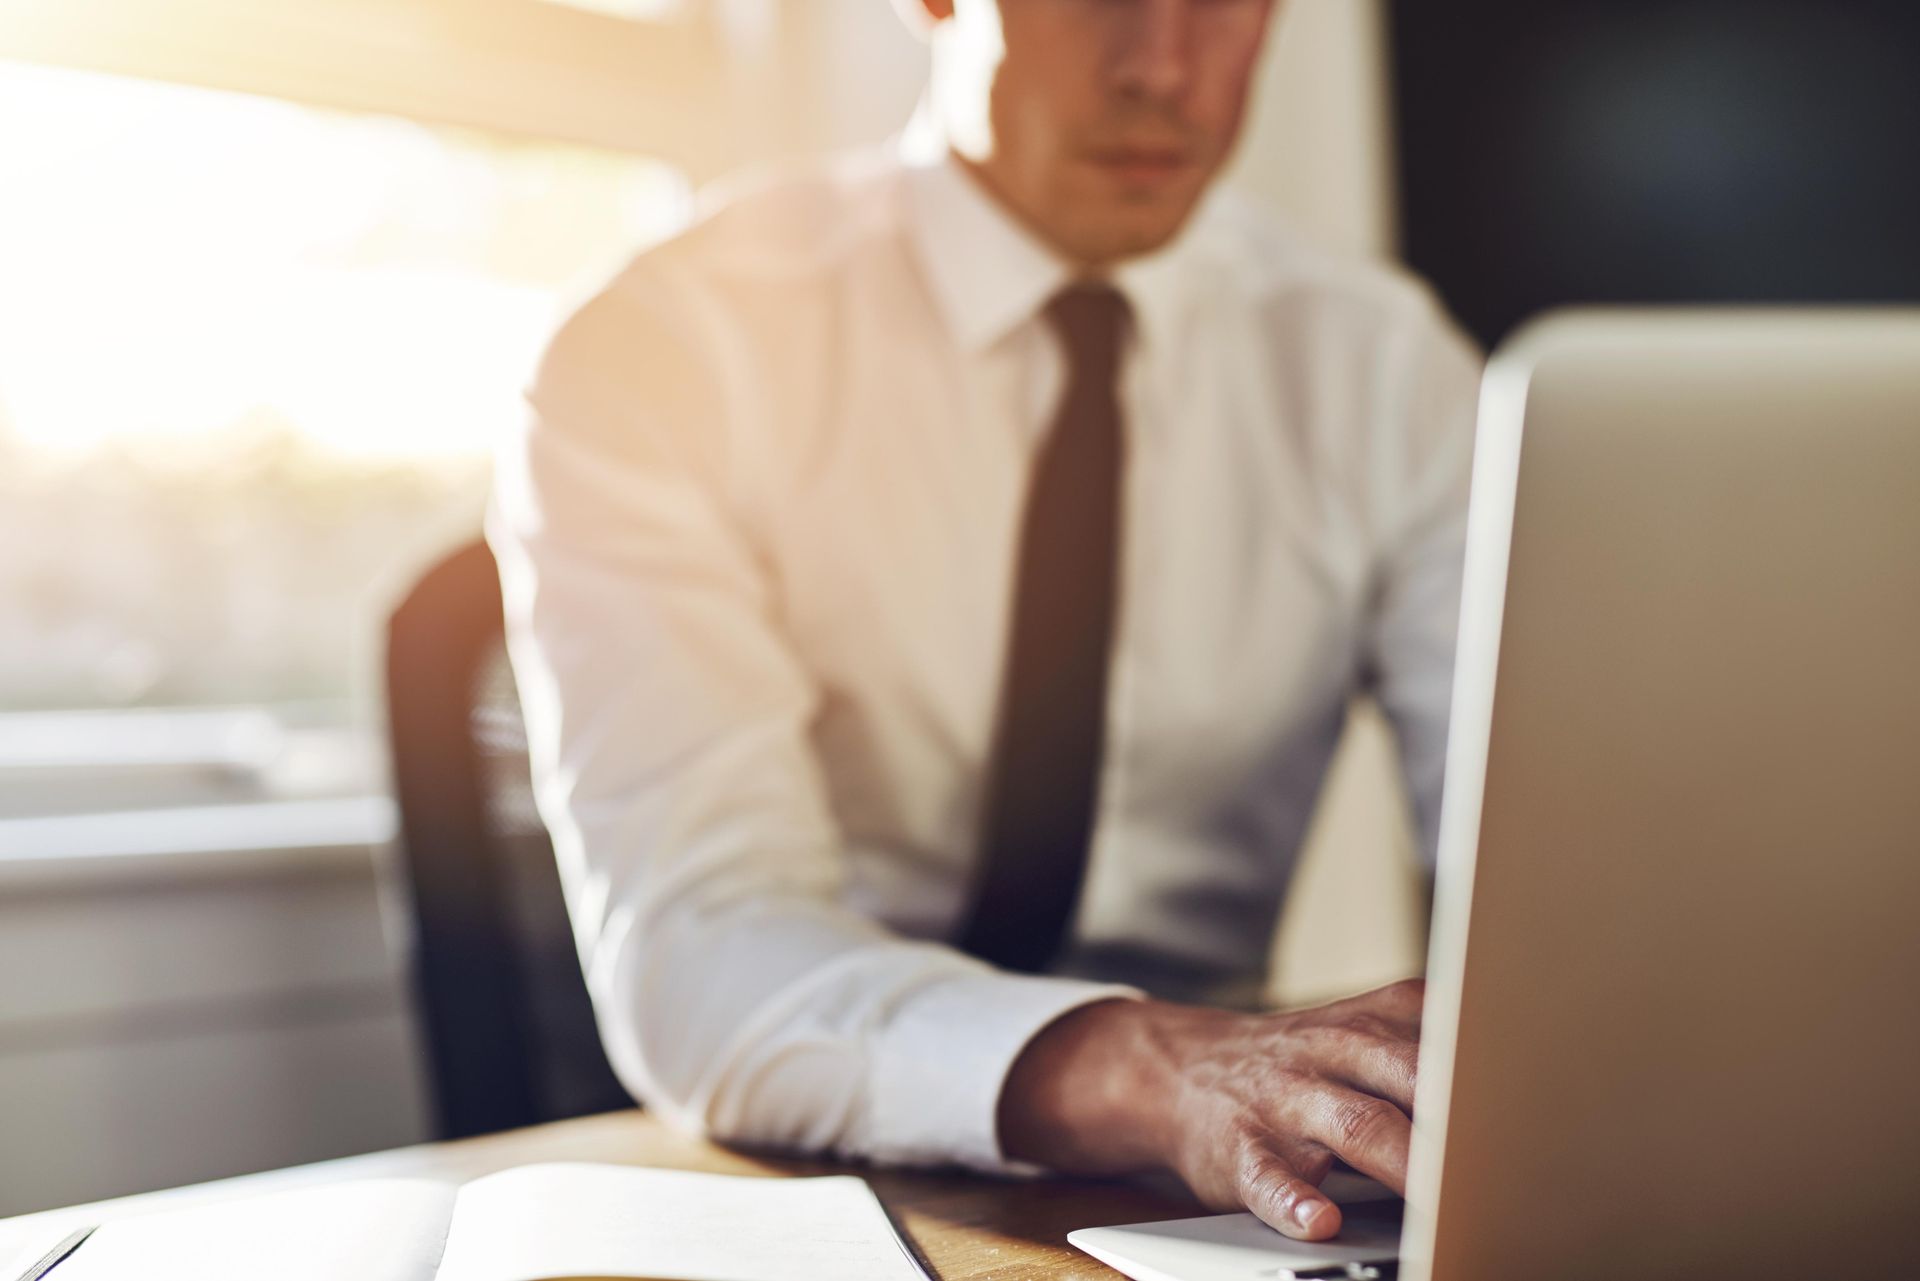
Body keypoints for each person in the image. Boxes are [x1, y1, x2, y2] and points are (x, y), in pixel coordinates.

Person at [490, 0, 1481, 1242]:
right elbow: (701, 946)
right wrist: (1148, 1071)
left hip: (1229, 1200)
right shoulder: (669, 347)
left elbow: (1543, 853)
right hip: (784, 1185)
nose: (1164, 71)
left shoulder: (1384, 369)